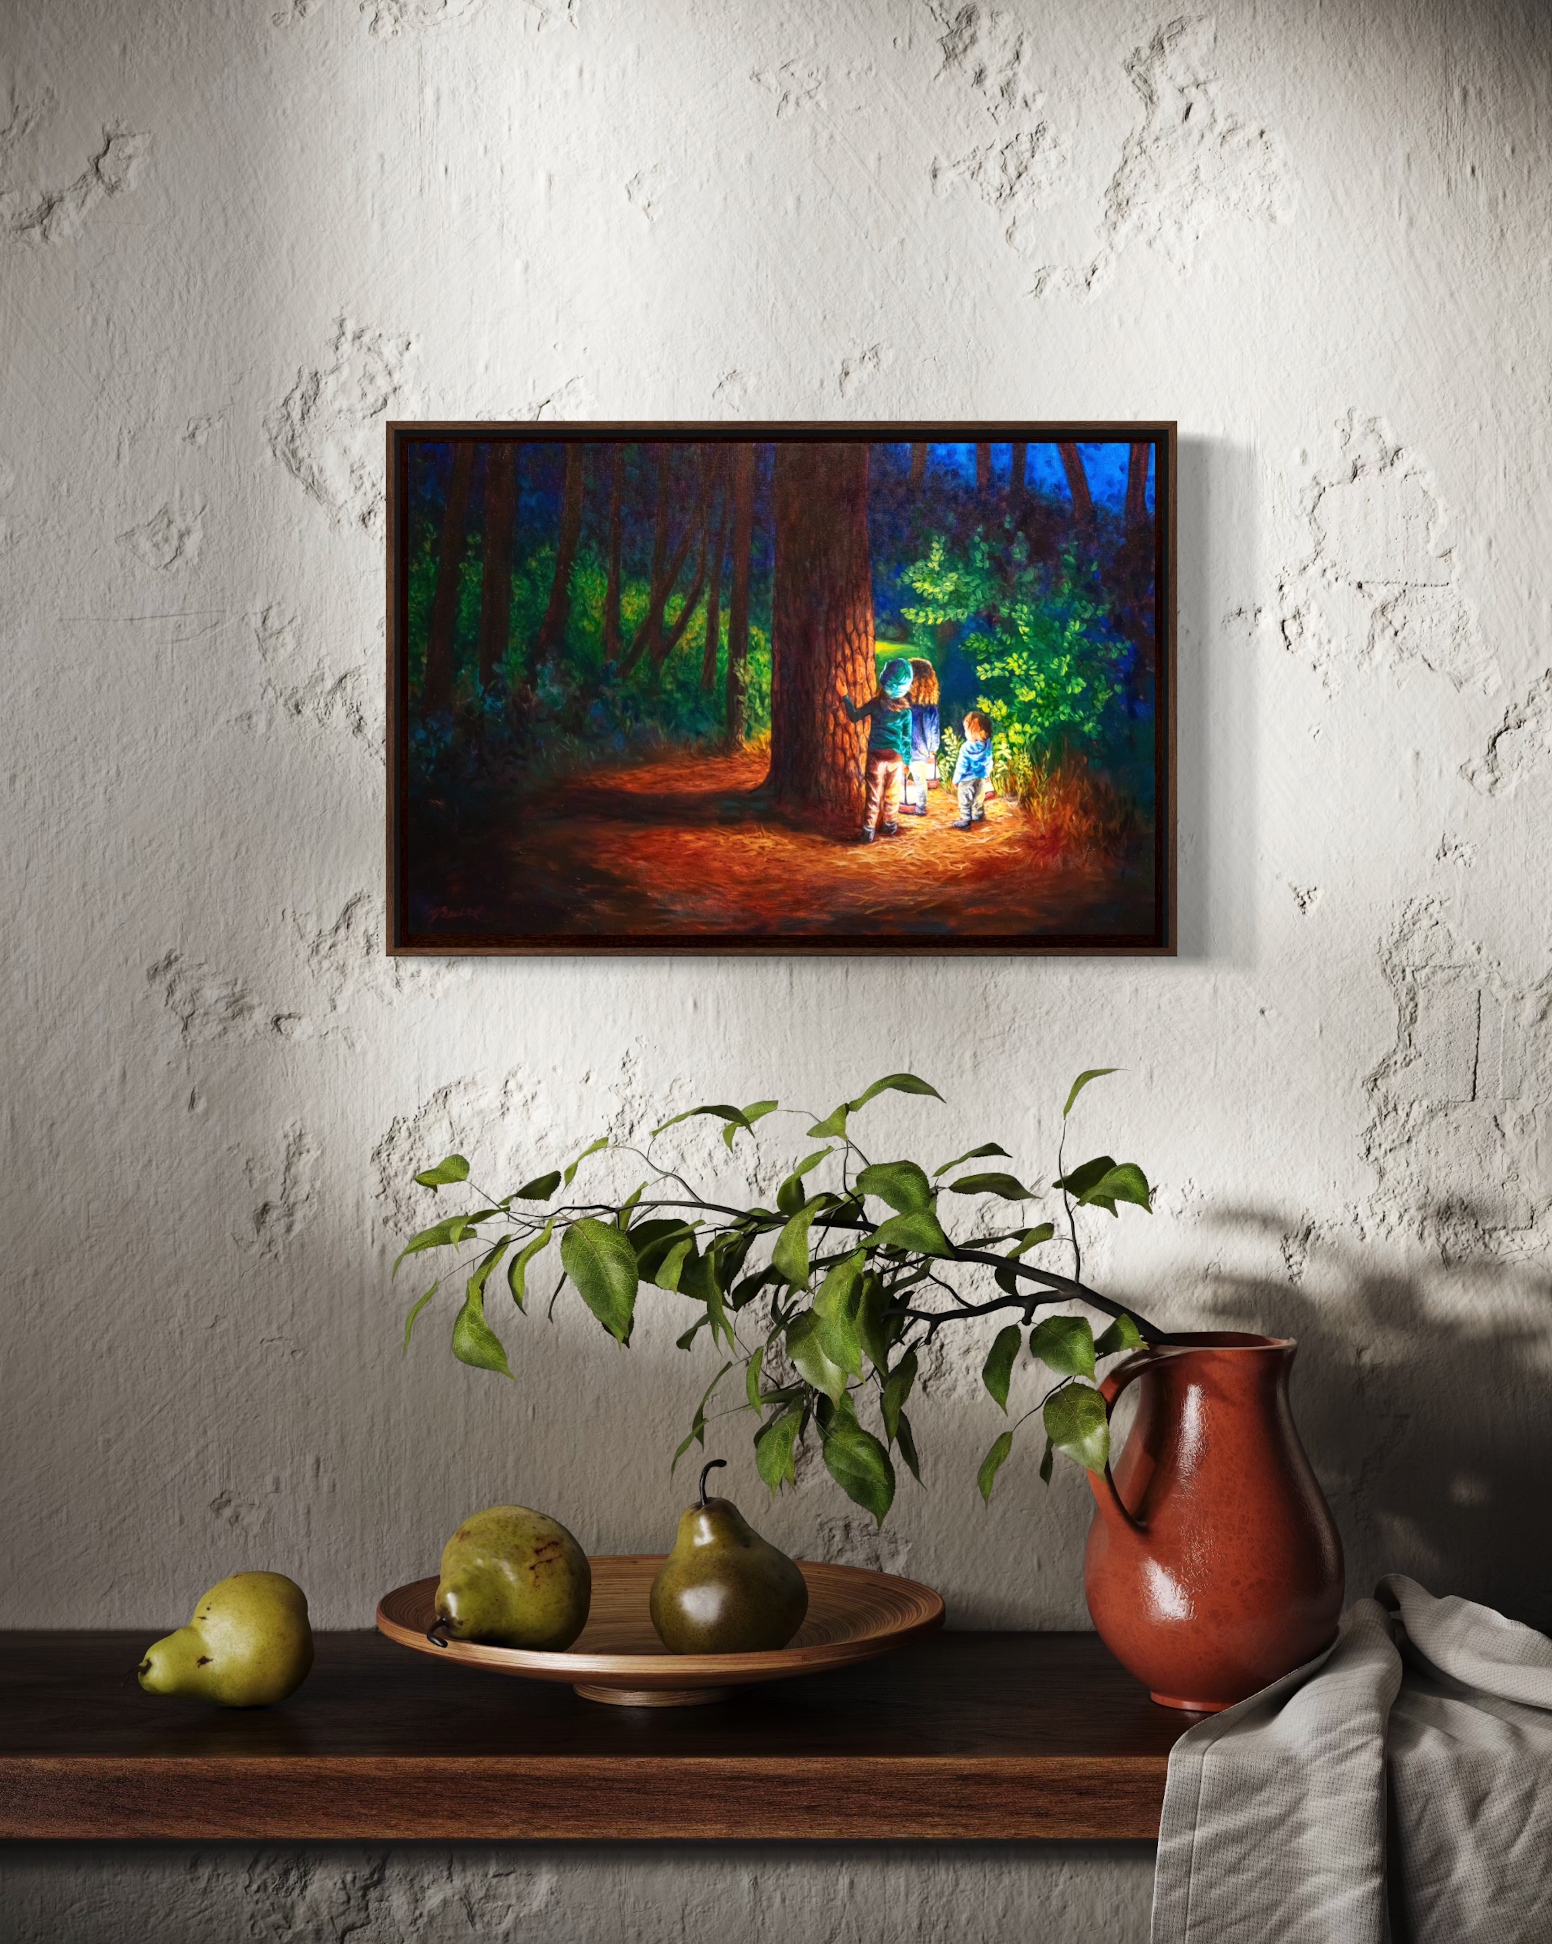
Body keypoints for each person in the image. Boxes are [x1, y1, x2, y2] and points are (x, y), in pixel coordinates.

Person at [841, 657, 914, 843]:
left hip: (876, 756)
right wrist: (906, 760)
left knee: (873, 794)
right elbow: (906, 739)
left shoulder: (875, 704)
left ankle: (868, 830)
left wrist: (845, 697)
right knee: (892, 792)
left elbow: (855, 716)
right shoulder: (906, 712)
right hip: (896, 758)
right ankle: (890, 824)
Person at [905, 659, 941, 816]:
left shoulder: (904, 703)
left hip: (904, 750)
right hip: (921, 751)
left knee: (900, 778)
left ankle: (900, 804)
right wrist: (933, 750)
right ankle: (920, 807)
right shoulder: (931, 708)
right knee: (920, 781)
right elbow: (934, 731)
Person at [951, 711, 995, 829]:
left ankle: (965, 820)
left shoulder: (965, 747)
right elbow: (989, 761)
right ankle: (978, 816)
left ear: (972, 732)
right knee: (978, 798)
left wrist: (956, 779)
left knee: (965, 800)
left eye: (966, 730)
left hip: (966, 780)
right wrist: (986, 775)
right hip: (980, 778)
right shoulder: (988, 745)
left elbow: (961, 766)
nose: (965, 732)